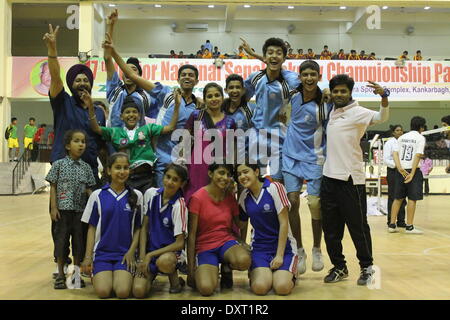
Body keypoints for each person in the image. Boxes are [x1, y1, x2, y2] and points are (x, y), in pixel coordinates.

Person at [321, 74, 389, 285]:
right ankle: (339, 267)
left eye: (343, 91)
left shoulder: (358, 112)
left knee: (358, 228)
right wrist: (325, 96)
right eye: (336, 91)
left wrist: (384, 97)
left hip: (351, 181)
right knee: (331, 230)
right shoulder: (331, 110)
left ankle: (367, 268)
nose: (339, 94)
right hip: (328, 179)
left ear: (350, 93)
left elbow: (381, 117)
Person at [282, 60, 332, 275]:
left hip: (314, 158)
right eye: (305, 74)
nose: (309, 78)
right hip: (291, 156)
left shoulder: (325, 102)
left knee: (314, 204)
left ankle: (317, 248)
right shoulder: (292, 93)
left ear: (319, 77)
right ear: (300, 77)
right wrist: (255, 54)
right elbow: (274, 64)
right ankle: (299, 250)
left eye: (313, 74)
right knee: (292, 202)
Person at [43, 23, 106, 181]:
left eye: (86, 80)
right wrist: (52, 51)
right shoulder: (63, 103)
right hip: (64, 170)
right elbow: (56, 78)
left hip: (90, 172)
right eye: (78, 81)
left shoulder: (98, 112)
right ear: (71, 85)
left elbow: (101, 144)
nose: (82, 83)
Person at [88, 90, 181, 193]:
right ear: (121, 117)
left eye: (134, 112)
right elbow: (96, 128)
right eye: (127, 112)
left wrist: (177, 106)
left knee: (146, 206)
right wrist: (91, 108)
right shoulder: (115, 132)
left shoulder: (148, 129)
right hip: (124, 179)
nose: (131, 114)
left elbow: (171, 127)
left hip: (146, 178)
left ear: (140, 116)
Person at [81, 152, 143, 299]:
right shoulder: (97, 195)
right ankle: (99, 274)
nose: (122, 172)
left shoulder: (137, 196)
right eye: (118, 167)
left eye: (126, 168)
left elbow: (138, 228)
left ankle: (120, 276)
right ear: (109, 170)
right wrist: (88, 257)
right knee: (103, 292)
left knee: (122, 292)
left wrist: (131, 252)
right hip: (102, 254)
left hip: (124, 255)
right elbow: (92, 228)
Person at [239, 37, 300, 181]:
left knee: (278, 182)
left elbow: (308, 87)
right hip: (256, 134)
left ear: (284, 58)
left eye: (279, 53)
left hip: (279, 136)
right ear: (265, 56)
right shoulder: (255, 77)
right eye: (270, 53)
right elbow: (242, 99)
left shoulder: (289, 80)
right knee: (253, 180)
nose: (274, 56)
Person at [187, 163, 251, 296]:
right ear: (210, 174)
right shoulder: (197, 198)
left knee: (244, 260)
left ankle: (226, 266)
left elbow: (240, 225)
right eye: (221, 173)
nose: (225, 177)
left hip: (225, 242)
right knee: (206, 289)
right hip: (204, 246)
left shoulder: (229, 197)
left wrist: (247, 198)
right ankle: (212, 268)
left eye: (228, 175)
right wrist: (190, 268)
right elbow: (191, 235)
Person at [45, 129, 96, 289]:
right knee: (61, 242)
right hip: (62, 211)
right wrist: (54, 207)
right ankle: (60, 274)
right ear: (67, 145)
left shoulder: (86, 167)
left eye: (83, 142)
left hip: (80, 212)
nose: (81, 144)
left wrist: (97, 203)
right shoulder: (59, 165)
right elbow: (53, 186)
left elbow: (89, 190)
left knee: (79, 244)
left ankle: (76, 275)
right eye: (77, 141)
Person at [236, 163, 297, 296]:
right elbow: (242, 224)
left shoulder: (275, 188)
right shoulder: (243, 197)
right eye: (239, 174)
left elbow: (284, 223)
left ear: (256, 172)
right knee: (260, 288)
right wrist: (241, 242)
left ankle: (290, 272)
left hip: (284, 248)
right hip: (260, 248)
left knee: (282, 287)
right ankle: (260, 273)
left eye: (246, 172)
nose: (242, 176)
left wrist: (279, 256)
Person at [133, 162, 188, 298]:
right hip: (151, 253)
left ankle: (175, 283)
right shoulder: (152, 195)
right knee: (138, 292)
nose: (169, 182)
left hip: (170, 254)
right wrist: (142, 257)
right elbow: (144, 227)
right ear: (163, 177)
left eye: (175, 180)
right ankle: (151, 277)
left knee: (164, 262)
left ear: (182, 183)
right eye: (168, 177)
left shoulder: (179, 205)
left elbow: (180, 243)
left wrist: (150, 255)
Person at [183, 83, 236, 203]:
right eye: (210, 96)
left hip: (220, 168)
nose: (214, 99)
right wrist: (182, 163)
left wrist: (231, 174)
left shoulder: (230, 122)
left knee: (217, 202)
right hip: (196, 166)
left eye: (217, 95)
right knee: (194, 201)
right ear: (205, 99)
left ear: (223, 98)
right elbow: (184, 139)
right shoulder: (196, 115)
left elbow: (231, 150)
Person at [104, 10, 158, 127]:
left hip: (138, 143)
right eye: (126, 70)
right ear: (122, 75)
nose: (129, 73)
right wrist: (110, 25)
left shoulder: (147, 97)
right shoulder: (115, 90)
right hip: (114, 143)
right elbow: (107, 58)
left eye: (133, 70)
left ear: (138, 76)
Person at [389, 116, 426, 234]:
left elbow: (395, 153)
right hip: (412, 172)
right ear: (421, 127)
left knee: (398, 198)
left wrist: (399, 168)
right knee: (412, 199)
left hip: (401, 170)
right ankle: (409, 226)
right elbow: (418, 155)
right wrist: (412, 173)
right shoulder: (420, 138)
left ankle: (392, 225)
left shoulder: (402, 137)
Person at [383, 125, 407, 227]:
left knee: (402, 196)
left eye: (401, 130)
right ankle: (390, 221)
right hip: (393, 171)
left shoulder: (405, 142)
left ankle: (401, 221)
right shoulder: (389, 143)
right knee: (393, 196)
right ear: (393, 132)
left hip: (403, 171)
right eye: (397, 130)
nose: (400, 132)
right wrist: (397, 166)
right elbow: (386, 159)